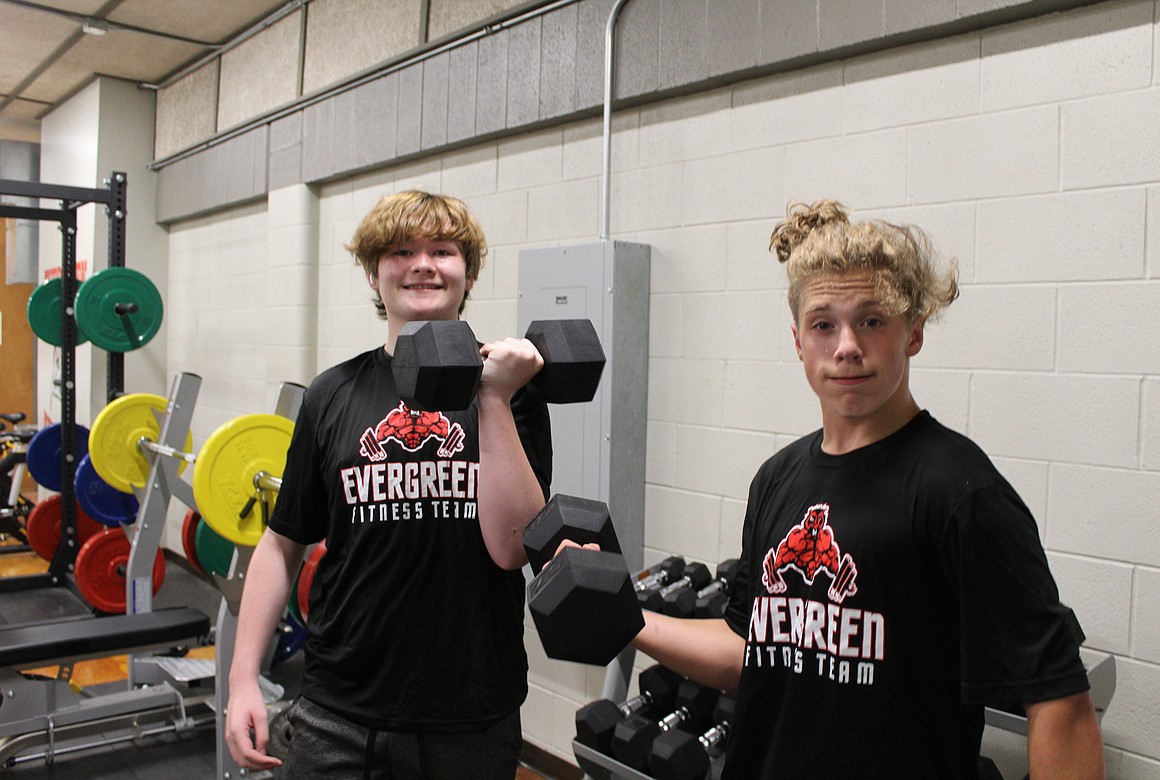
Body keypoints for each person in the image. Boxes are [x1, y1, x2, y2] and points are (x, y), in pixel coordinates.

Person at [629, 200, 1105, 778]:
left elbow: (1061, 704)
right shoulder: (777, 479)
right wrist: (627, 620)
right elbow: (746, 649)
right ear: (798, 341)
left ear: (914, 333)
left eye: (872, 320)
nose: (847, 345)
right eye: (823, 323)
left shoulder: (960, 491)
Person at [225, 190, 552, 778]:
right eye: (401, 250)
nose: (423, 263)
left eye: (443, 250)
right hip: (339, 711)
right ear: (376, 275)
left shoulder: (512, 390)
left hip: (471, 710)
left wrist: (494, 396)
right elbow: (282, 541)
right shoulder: (332, 393)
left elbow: (511, 547)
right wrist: (244, 676)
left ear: (468, 272)